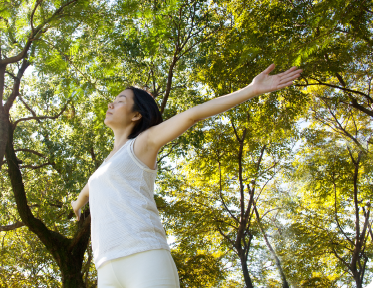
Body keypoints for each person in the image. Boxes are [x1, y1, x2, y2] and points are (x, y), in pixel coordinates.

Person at [71, 63, 302, 288]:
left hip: (144, 257)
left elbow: (193, 115)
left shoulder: (143, 142)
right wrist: (78, 202)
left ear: (136, 116)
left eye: (120, 101)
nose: (111, 104)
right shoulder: (106, 164)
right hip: (105, 268)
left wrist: (251, 89)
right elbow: (93, 184)